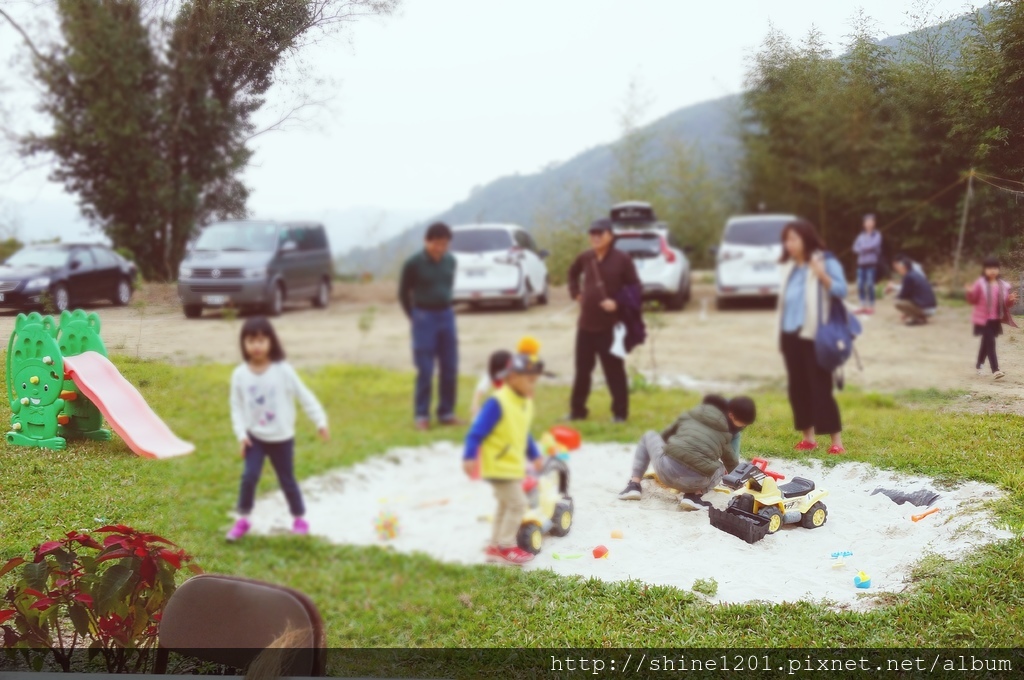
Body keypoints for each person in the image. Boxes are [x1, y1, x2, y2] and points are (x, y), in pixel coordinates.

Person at [227, 317, 330, 542]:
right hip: (255, 438)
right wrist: (242, 435)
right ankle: (243, 518)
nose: (256, 345)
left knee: (287, 479)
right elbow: (236, 408)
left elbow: (304, 396)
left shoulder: (283, 371)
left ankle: (299, 518)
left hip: (282, 438)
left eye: (262, 340)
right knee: (249, 476)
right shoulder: (240, 375)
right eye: (251, 340)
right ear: (244, 343)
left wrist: (320, 420)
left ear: (271, 342)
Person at [462, 337, 545, 565]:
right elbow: (477, 431)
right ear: (512, 377)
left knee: (504, 505)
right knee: (518, 504)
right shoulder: (497, 402)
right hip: (498, 465)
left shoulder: (524, 403)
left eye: (534, 382)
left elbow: (522, 433)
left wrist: (534, 454)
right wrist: (470, 455)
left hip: (511, 464)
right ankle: (507, 546)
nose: (532, 386)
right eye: (529, 381)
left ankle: (494, 545)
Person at [776, 219, 847, 455]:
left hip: (815, 334)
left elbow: (841, 290)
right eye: (786, 240)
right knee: (797, 387)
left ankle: (836, 441)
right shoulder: (790, 267)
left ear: (806, 238)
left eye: (793, 238)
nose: (789, 244)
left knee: (820, 386)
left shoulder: (825, 260)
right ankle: (808, 437)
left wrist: (822, 275)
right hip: (790, 333)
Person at [617, 395, 756, 510]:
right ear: (729, 415)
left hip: (666, 472)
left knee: (649, 435)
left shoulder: (689, 416)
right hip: (696, 482)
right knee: (720, 467)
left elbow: (664, 436)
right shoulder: (726, 434)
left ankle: (634, 485)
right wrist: (741, 483)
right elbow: (731, 464)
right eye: (743, 424)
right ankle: (694, 496)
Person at [566, 218, 641, 423]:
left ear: (610, 235)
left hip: (610, 327)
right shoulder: (585, 257)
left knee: (614, 371)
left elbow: (635, 288)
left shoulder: (622, 259)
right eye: (592, 233)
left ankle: (619, 414)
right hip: (585, 326)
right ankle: (577, 411)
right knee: (582, 370)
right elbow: (572, 273)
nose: (595, 237)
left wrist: (617, 303)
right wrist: (575, 292)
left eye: (600, 233)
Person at [398, 222, 460, 431]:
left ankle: (446, 412)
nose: (440, 248)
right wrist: (414, 316)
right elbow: (403, 293)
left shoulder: (451, 261)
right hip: (423, 317)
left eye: (444, 244)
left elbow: (448, 286)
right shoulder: (413, 263)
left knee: (450, 366)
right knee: (425, 369)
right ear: (427, 241)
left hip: (447, 315)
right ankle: (421, 415)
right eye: (436, 244)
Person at [965, 256, 1019, 380]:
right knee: (991, 342)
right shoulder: (980, 284)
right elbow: (973, 300)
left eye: (995, 268)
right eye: (989, 268)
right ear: (984, 270)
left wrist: (1010, 300)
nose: (992, 271)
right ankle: (996, 370)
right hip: (983, 319)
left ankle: (979, 364)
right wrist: (969, 292)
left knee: (986, 342)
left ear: (998, 269)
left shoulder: (1003, 286)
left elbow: (1005, 304)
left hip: (995, 319)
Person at [891, 256, 938, 326]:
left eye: (899, 267)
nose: (898, 270)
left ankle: (918, 318)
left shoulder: (908, 277)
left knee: (897, 302)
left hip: (925, 308)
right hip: (932, 307)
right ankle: (920, 317)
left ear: (904, 267)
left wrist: (906, 312)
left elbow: (903, 295)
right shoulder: (916, 274)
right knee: (905, 300)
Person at [852, 214, 882, 315]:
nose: (869, 223)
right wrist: (864, 248)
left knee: (870, 284)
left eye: (871, 221)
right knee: (860, 284)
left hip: (871, 263)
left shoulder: (877, 235)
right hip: (861, 264)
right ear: (864, 224)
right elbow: (855, 247)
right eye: (867, 221)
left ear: (874, 223)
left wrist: (863, 248)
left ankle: (871, 305)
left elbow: (874, 245)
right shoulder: (860, 236)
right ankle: (862, 305)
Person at [470, 350, 513, 417]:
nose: (501, 374)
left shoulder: (515, 375)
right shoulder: (491, 375)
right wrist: (475, 404)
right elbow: (481, 388)